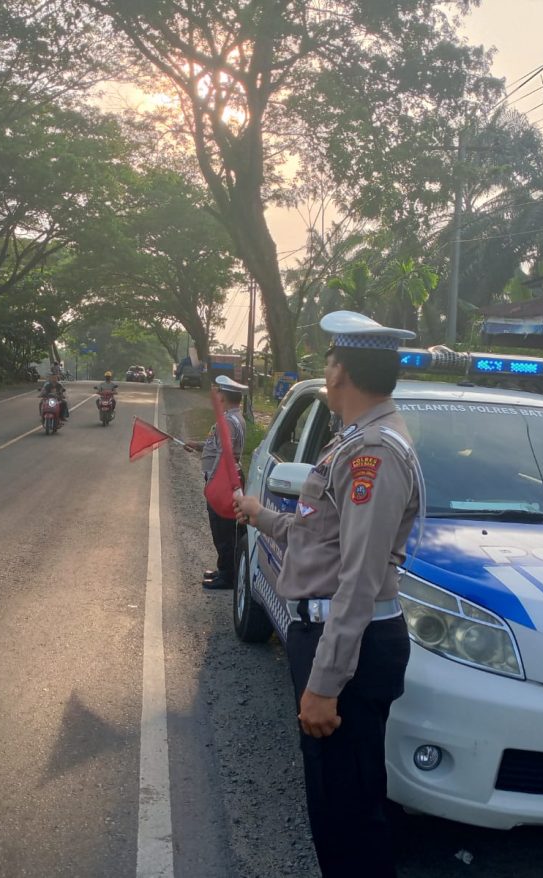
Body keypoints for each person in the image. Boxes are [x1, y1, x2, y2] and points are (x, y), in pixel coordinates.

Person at [234, 311, 424, 878]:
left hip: (348, 648)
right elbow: (320, 536)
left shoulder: (375, 454)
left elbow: (359, 580)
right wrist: (262, 515)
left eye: (328, 360)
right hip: (329, 638)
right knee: (333, 800)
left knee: (348, 812)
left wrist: (324, 682)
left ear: (340, 371)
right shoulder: (354, 443)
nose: (326, 368)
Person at [184, 374, 247, 590]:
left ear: (224, 396)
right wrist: (199, 445)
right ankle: (224, 569)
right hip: (226, 479)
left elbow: (224, 455)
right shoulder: (231, 418)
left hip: (223, 481)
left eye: (218, 391)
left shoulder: (229, 421)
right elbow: (217, 445)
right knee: (223, 529)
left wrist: (212, 484)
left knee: (223, 531)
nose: (216, 395)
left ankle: (228, 576)